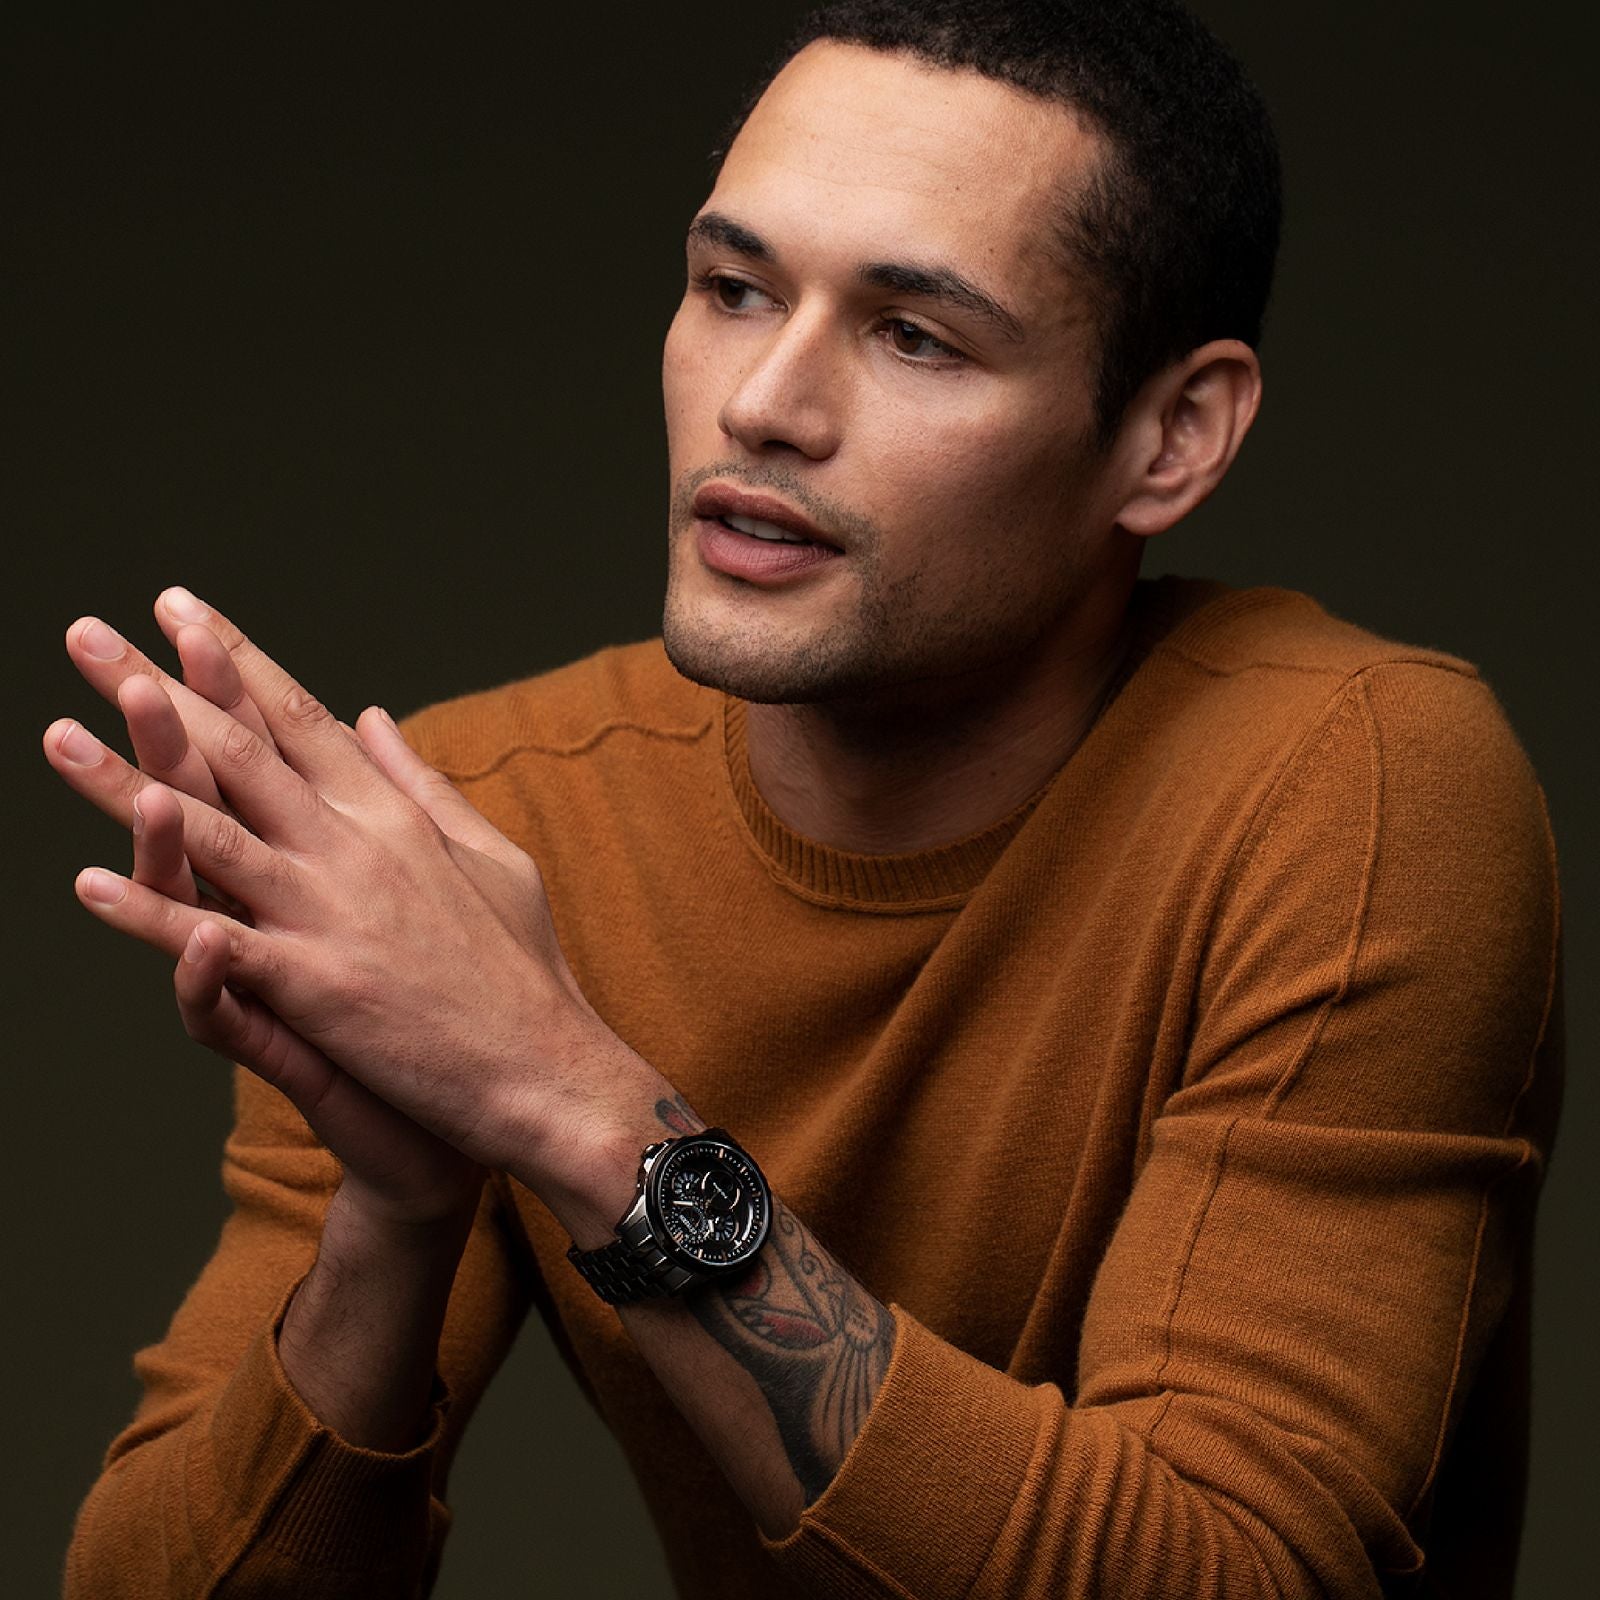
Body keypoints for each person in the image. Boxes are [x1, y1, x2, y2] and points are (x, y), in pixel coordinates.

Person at [48, 2, 1561, 1596]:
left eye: (915, 336)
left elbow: (1235, 1573)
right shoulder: (474, 835)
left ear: (1169, 438)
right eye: (733, 288)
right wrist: (397, 1212)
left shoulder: (1360, 788)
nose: (763, 401)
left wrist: (572, 1105)